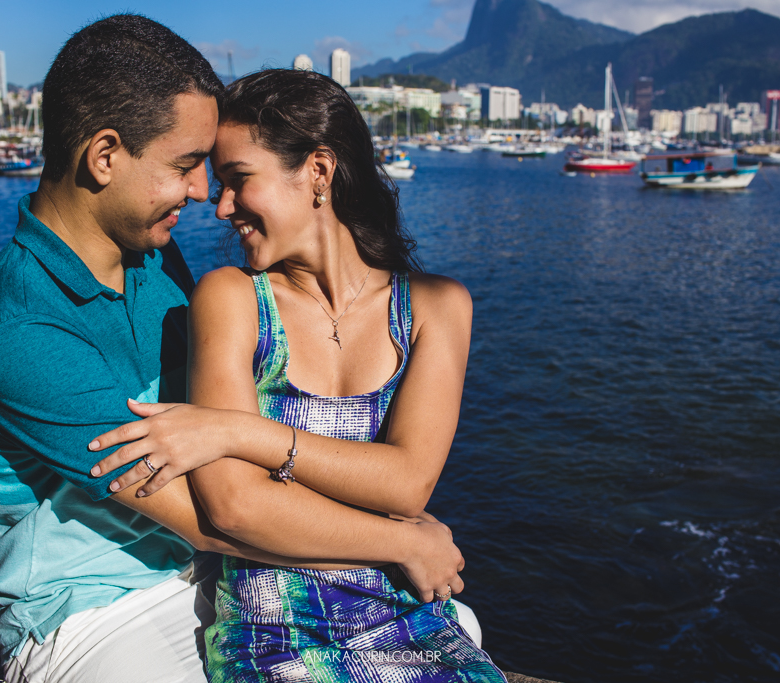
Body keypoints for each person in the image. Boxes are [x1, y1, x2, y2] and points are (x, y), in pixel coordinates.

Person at [0, 16, 463, 683]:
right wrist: (404, 541)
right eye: (186, 165)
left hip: (214, 577)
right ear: (105, 155)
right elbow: (215, 516)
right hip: (93, 613)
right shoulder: (20, 330)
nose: (203, 196)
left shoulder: (154, 263)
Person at [88, 69, 507, 682]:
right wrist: (404, 537)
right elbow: (233, 505)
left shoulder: (438, 307)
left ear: (318, 170)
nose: (220, 205)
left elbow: (408, 483)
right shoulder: (230, 298)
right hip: (274, 635)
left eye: (238, 180)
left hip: (406, 615)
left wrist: (238, 434)